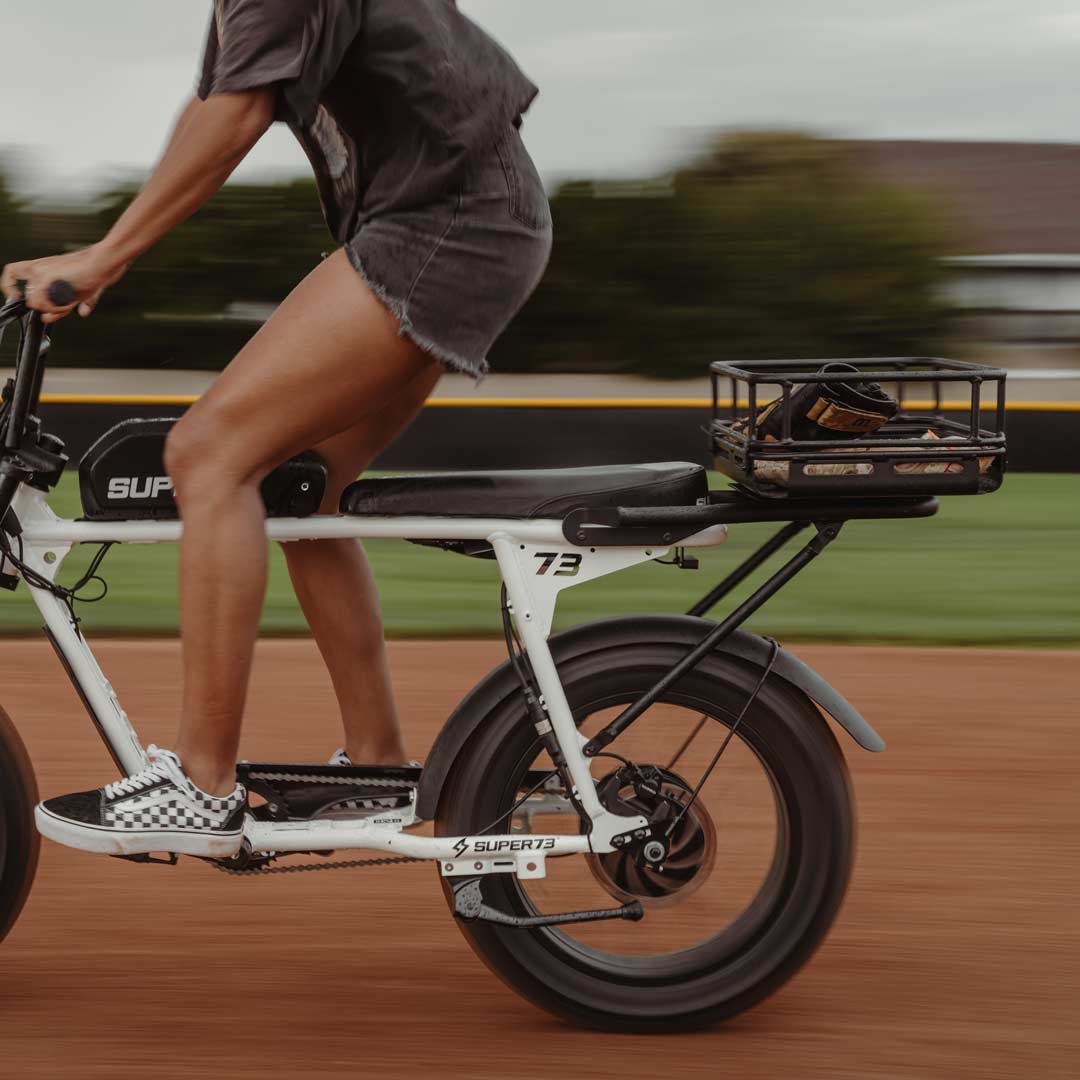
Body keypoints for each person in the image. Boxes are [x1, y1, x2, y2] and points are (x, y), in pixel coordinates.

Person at [3, 0, 552, 858]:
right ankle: (374, 765)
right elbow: (216, 101)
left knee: (210, 455)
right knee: (302, 484)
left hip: (447, 222)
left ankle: (201, 781)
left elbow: (238, 114)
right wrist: (101, 250)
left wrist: (106, 256)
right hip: (456, 217)